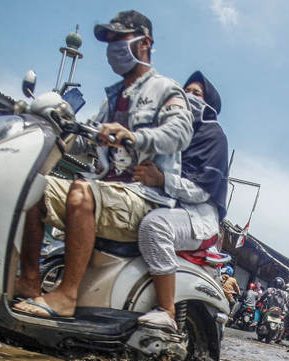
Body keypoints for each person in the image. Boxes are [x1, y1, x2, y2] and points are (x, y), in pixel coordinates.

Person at [13, 10, 193, 318]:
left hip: (144, 199)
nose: (112, 48)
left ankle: (66, 296)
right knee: (31, 187)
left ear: (144, 42)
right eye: (109, 42)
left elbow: (180, 131)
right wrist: (58, 127)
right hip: (108, 193)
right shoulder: (113, 98)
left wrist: (136, 137)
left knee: (82, 192)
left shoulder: (166, 89)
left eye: (119, 39)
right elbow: (89, 141)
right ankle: (29, 281)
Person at [135, 71, 229, 331]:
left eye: (196, 93)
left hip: (196, 217)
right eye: (184, 92)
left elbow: (202, 190)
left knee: (155, 227)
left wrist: (161, 179)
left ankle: (166, 309)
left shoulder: (213, 137)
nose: (188, 97)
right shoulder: (171, 132)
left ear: (208, 102)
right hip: (162, 202)